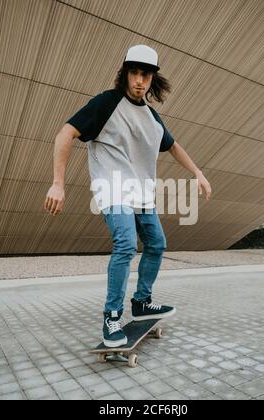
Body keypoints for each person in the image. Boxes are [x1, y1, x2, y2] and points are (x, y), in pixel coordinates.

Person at [44, 45, 212, 348]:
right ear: (125, 74)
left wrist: (197, 172)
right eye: (133, 73)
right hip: (111, 189)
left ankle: (142, 302)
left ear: (152, 79)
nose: (138, 80)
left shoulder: (151, 117)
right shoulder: (106, 103)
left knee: (157, 243)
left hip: (141, 194)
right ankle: (112, 316)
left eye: (145, 75)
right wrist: (58, 183)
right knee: (125, 243)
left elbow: (173, 145)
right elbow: (64, 134)